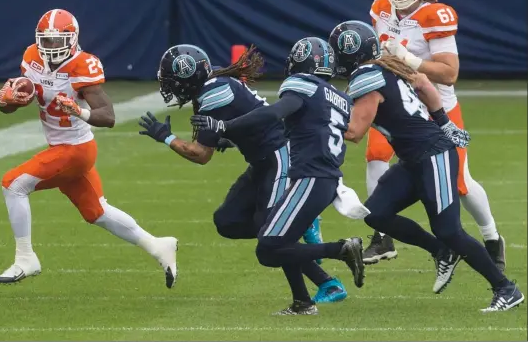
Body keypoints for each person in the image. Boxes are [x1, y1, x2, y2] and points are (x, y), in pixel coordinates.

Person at [329, 20, 523, 312]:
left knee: (450, 230)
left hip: (432, 155)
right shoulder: (386, 65)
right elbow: (422, 84)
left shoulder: (366, 79)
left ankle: (506, 288)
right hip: (413, 158)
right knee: (377, 214)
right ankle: (441, 252)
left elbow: (355, 133)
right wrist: (443, 121)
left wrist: (322, 120)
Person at [138, 44, 346, 304]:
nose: (168, 87)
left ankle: (313, 293)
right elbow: (244, 117)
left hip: (279, 157)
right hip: (262, 161)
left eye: (171, 80)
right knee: (228, 221)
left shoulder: (213, 91)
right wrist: (229, 138)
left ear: (186, 77)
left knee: (272, 234)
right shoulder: (213, 83)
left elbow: (201, 155)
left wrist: (166, 137)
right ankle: (303, 242)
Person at [0, 9, 178, 288]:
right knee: (97, 212)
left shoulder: (83, 64)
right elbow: (16, 103)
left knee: (13, 184)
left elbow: (109, 116)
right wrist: (7, 101)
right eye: (47, 40)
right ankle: (158, 246)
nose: (51, 46)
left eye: (58, 41)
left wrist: (80, 111)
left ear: (73, 39)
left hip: (75, 150)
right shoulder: (32, 56)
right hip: (61, 146)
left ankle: (25, 258)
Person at [190, 37, 365, 315]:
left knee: (270, 247)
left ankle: (338, 252)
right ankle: (308, 294)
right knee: (255, 233)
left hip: (307, 176)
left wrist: (224, 125)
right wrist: (233, 136)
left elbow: (274, 114)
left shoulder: (301, 85)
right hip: (323, 175)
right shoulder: (340, 98)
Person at [362, 0, 505, 270]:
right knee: (375, 156)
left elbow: (449, 73)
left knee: (459, 183)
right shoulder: (381, 7)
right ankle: (382, 237)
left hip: (436, 107)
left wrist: (409, 60)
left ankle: (492, 237)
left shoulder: (434, 15)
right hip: (397, 105)